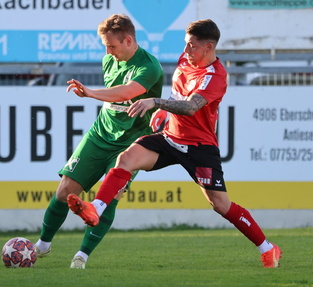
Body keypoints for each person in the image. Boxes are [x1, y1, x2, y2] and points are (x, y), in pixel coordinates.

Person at [68, 19, 283, 268]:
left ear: (209, 47)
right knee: (126, 159)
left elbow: (191, 107)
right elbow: (178, 94)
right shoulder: (185, 59)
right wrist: (165, 111)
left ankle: (268, 249)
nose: (186, 51)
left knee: (221, 205)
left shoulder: (216, 76)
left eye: (192, 46)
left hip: (199, 147)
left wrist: (156, 103)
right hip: (169, 138)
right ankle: (95, 208)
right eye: (185, 44)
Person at [34, 14, 164, 269]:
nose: (107, 51)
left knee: (111, 197)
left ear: (128, 40)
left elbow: (126, 93)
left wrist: (91, 92)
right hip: (100, 135)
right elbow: (114, 96)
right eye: (105, 46)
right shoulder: (109, 60)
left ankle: (82, 256)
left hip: (131, 143)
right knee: (64, 190)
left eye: (112, 45)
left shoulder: (149, 67)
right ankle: (42, 245)